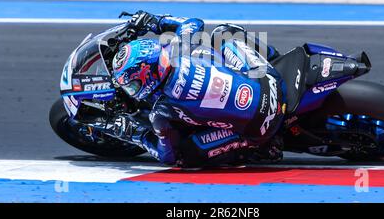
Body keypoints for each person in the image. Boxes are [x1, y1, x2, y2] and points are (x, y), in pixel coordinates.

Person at [112, 11, 287, 167]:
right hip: (270, 81)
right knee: (223, 34)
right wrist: (156, 21)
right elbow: (193, 22)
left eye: (132, 85)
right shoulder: (181, 46)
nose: (131, 89)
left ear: (147, 77)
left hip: (259, 129)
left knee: (183, 155)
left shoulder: (160, 111)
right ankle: (276, 58)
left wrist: (138, 135)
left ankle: (258, 150)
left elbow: (168, 156)